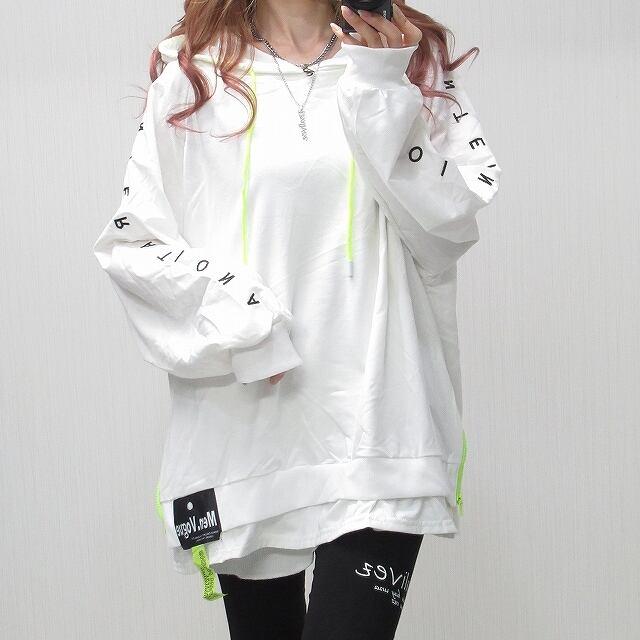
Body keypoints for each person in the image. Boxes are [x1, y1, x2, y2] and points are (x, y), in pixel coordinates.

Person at [92, 0, 501, 637]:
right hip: (247, 440)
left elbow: (446, 230)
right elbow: (135, 245)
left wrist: (381, 84)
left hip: (382, 432)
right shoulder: (194, 73)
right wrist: (249, 325)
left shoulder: (409, 64)